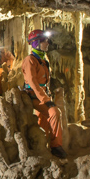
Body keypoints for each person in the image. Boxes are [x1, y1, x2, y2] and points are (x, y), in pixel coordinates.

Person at [22, 30, 66, 158]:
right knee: (54, 112)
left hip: (43, 94)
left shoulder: (42, 60)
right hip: (33, 95)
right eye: (44, 41)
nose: (47, 43)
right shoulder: (30, 60)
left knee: (43, 122)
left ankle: (41, 146)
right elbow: (33, 82)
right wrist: (45, 99)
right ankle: (56, 146)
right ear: (36, 43)